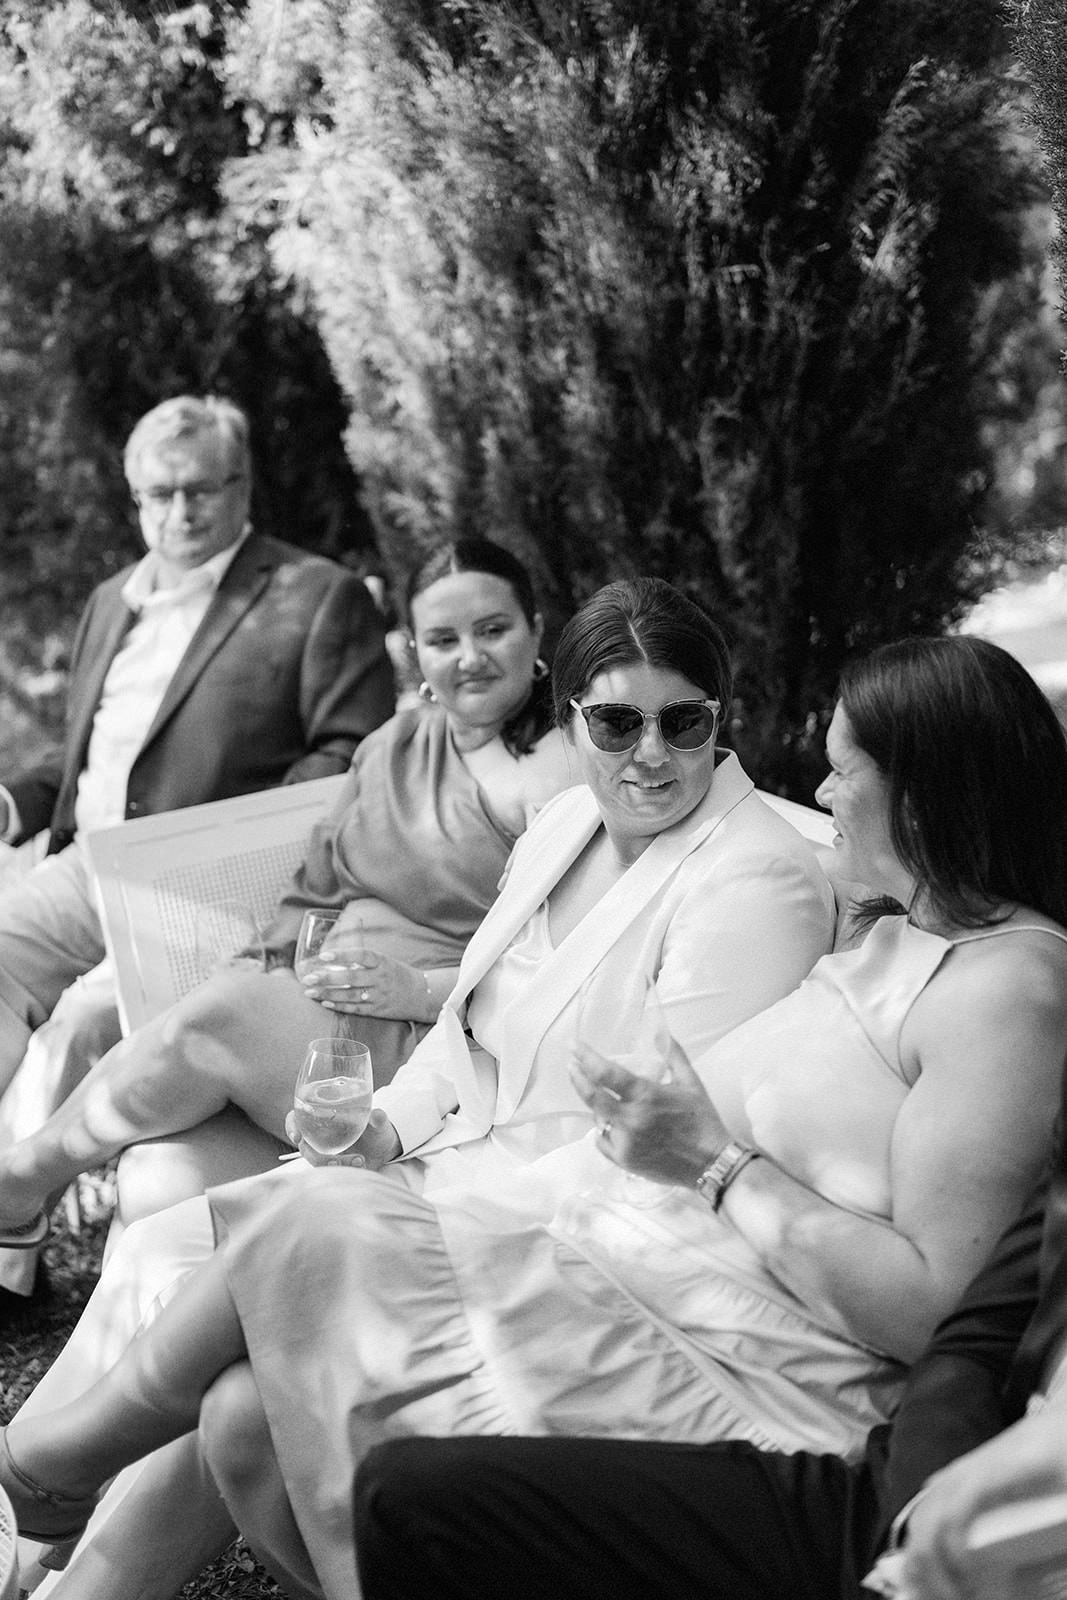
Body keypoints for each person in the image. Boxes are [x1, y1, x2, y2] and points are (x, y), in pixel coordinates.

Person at [0, 576, 835, 1600]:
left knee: (231, 1303)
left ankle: (43, 1508)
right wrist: (382, 1134)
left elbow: (659, 1148)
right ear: (570, 716)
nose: (651, 753)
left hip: (564, 1242)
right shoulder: (563, 825)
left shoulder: (752, 882)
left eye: (683, 721)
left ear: (720, 716)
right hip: (446, 1173)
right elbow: (464, 1028)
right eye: (617, 723)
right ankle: (42, 1538)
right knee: (165, 1247)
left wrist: (407, 1205)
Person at [0, 535, 575, 1244]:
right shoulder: (392, 744)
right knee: (161, 1178)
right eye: (442, 639)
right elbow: (318, 883)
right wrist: (276, 963)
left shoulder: (565, 768)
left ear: (535, 631)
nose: (469, 657)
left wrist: (421, 990)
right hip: (308, 1008)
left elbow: (561, 962)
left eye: (492, 630)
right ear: (415, 652)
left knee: (209, 1024)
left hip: (428, 1039)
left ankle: (16, 1186)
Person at [350, 1069, 1067, 1600]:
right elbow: (976, 1336)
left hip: (983, 1513)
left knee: (336, 1228)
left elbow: (933, 1309)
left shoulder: (1012, 993)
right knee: (405, 1493)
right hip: (911, 1488)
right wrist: (913, 1515)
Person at [0, 394, 395, 1294]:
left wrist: (217, 837)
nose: (179, 512)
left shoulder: (315, 594)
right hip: (89, 864)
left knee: (85, 1022)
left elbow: (350, 756)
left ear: (241, 486)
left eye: (201, 490)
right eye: (159, 494)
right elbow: (95, 750)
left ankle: (11, 1257)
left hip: (204, 885)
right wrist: (15, 801)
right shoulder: (112, 600)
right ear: (135, 497)